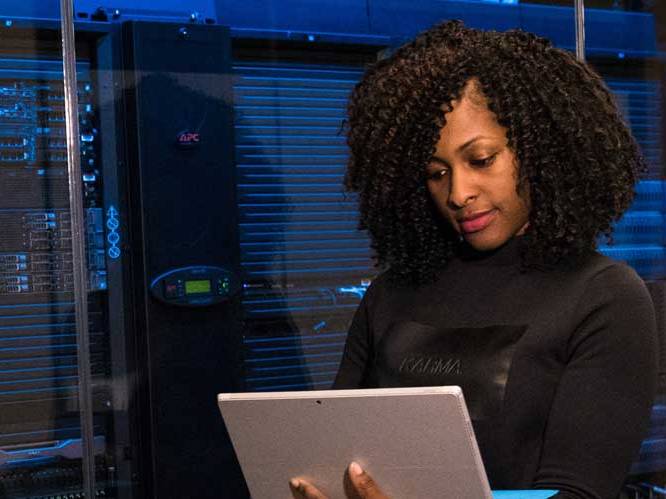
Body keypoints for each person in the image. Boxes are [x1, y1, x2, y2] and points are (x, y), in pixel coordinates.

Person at [289, 20, 658, 499]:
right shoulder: (391, 295)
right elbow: (338, 457)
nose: (459, 193)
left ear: (540, 147)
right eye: (435, 173)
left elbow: (577, 492)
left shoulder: (604, 296)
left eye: (481, 160)